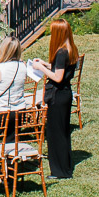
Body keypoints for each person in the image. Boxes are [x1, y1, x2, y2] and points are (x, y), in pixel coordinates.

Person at [31, 19, 79, 179]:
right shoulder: (70, 49)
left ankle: (59, 171)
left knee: (55, 133)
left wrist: (41, 68)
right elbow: (62, 69)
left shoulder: (61, 52)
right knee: (63, 131)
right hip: (66, 94)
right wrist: (45, 63)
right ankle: (65, 167)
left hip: (58, 96)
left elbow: (58, 77)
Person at [0, 35, 40, 112]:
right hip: (19, 109)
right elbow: (15, 61)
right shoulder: (23, 66)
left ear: (3, 49)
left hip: (0, 110)